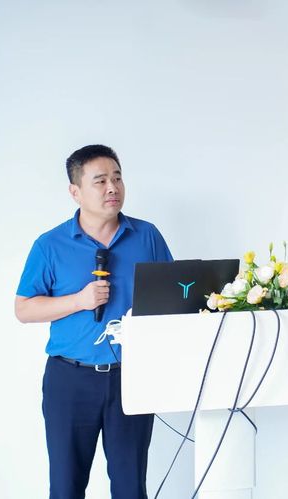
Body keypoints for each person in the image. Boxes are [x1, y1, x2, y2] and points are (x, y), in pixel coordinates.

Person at [15, 144, 172, 499]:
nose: (112, 187)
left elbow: (172, 295)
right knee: (66, 487)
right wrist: (79, 301)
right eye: (100, 181)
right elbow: (23, 309)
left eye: (117, 178)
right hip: (70, 380)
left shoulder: (147, 236)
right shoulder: (50, 245)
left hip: (132, 377)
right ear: (75, 192)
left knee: (131, 487)